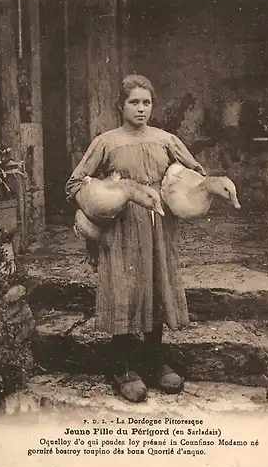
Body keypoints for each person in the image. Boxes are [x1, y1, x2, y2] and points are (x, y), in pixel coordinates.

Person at [65, 74, 206, 403]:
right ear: (121, 106)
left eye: (146, 102)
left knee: (156, 286)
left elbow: (197, 175)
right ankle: (122, 366)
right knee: (124, 290)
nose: (141, 109)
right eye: (134, 102)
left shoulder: (166, 140)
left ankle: (154, 360)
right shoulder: (106, 142)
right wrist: (101, 202)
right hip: (122, 228)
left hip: (158, 227)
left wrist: (185, 189)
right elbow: (74, 185)